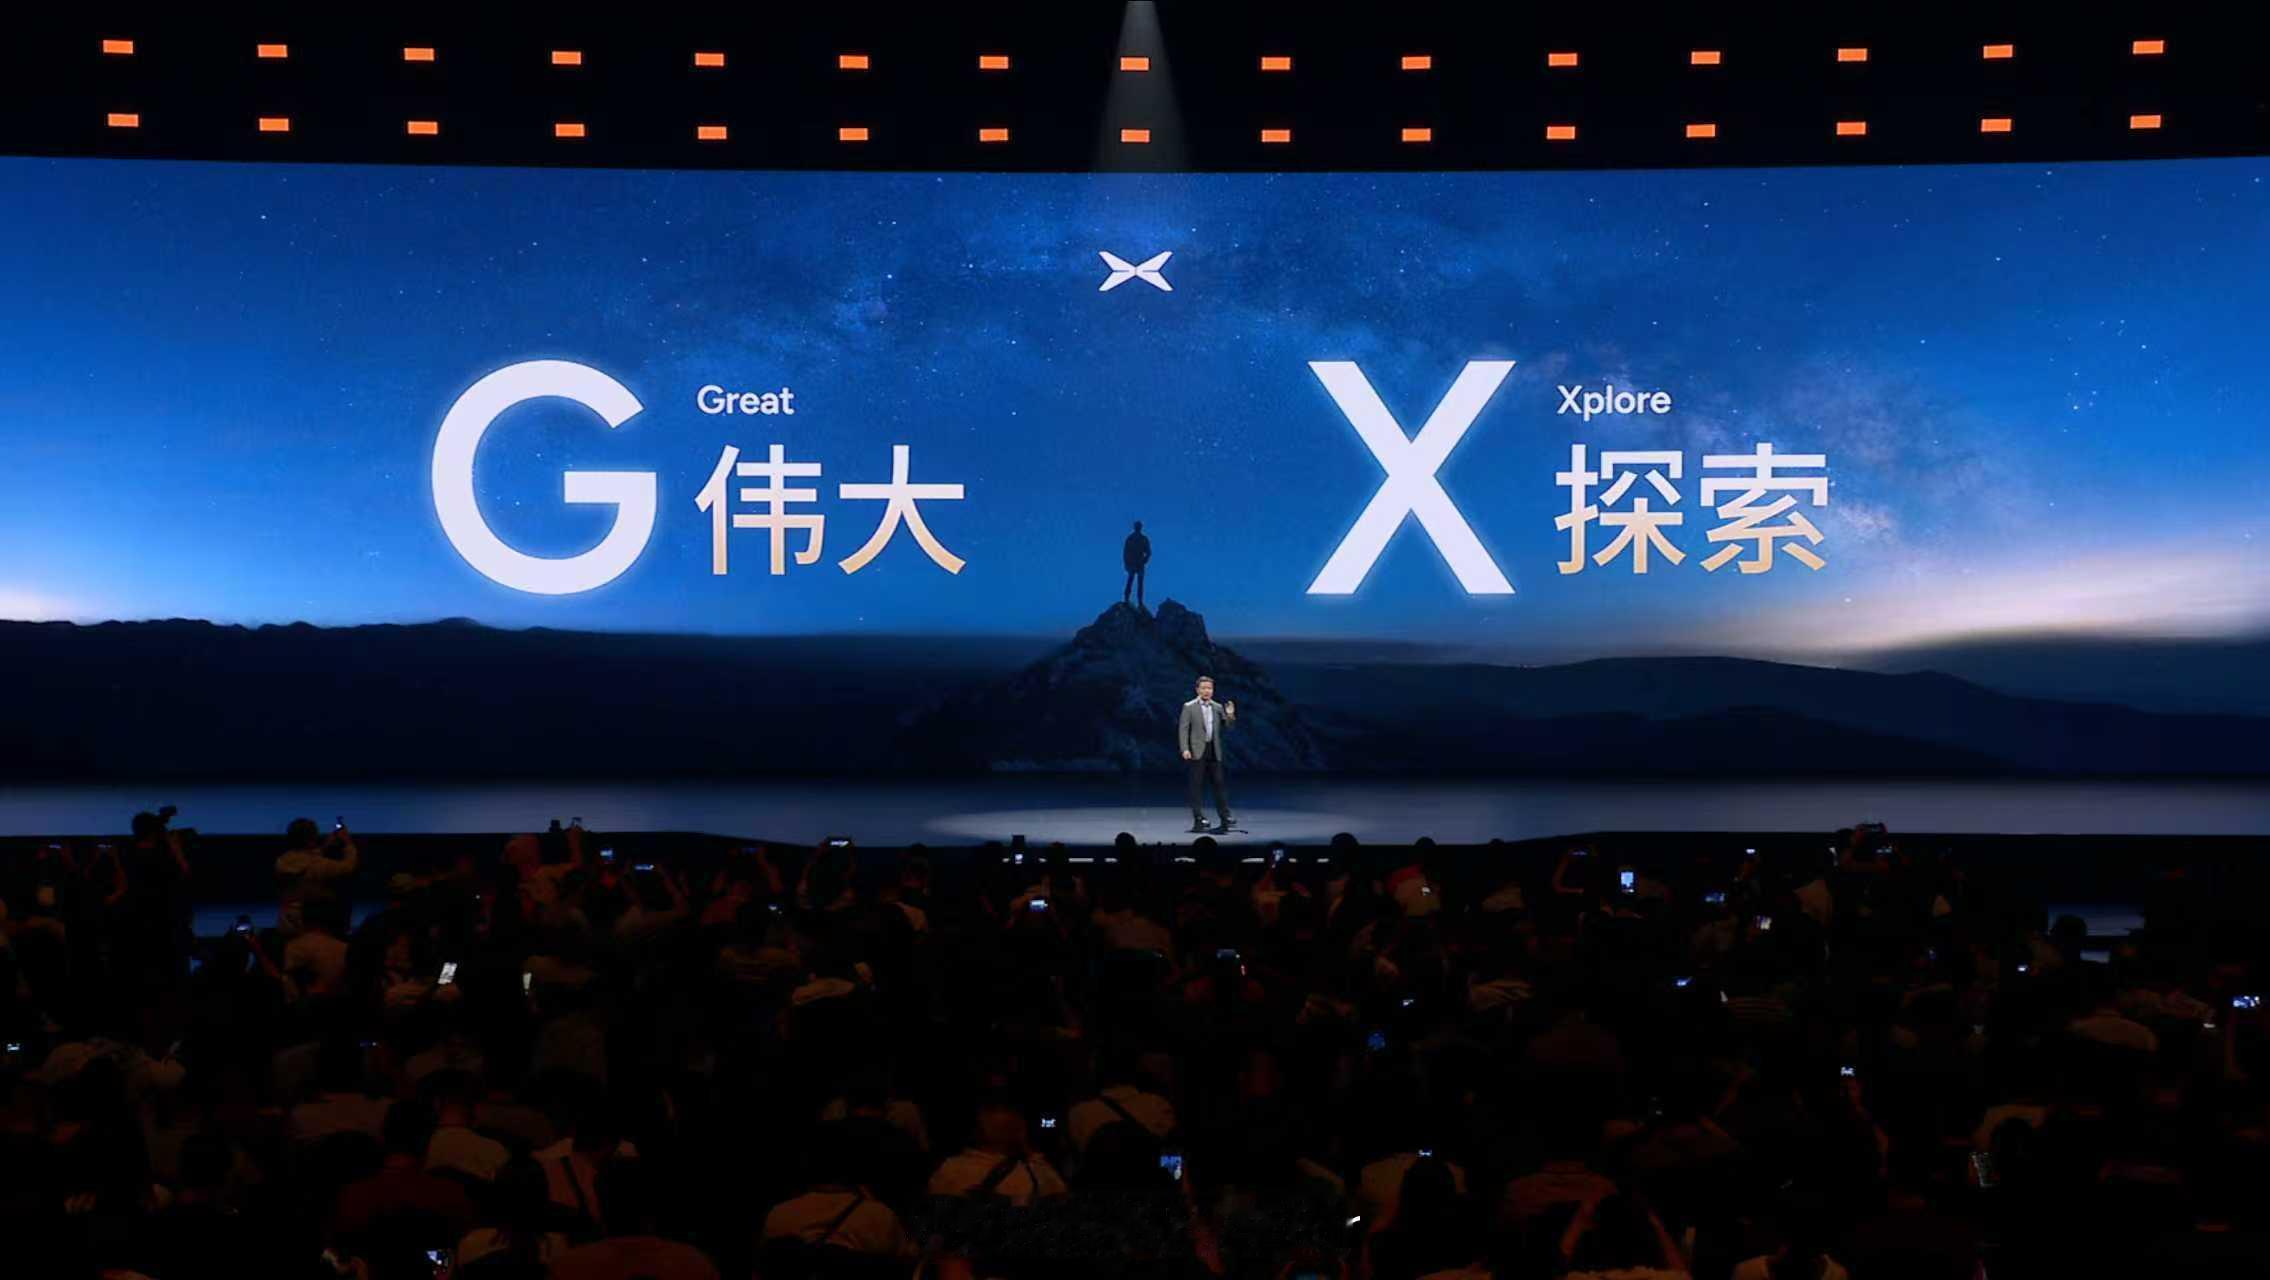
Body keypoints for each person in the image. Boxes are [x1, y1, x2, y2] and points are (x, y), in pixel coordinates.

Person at [1178, 675, 1236, 833]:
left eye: (1209, 688)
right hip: (1197, 750)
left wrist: (1230, 715)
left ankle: (1225, 816)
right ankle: (1199, 817)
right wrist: (1185, 748)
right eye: (1203, 688)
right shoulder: (1189, 707)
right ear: (1197, 689)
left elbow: (1228, 726)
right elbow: (1183, 729)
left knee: (1219, 784)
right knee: (1196, 785)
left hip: (1213, 750)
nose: (1207, 691)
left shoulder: (1217, 707)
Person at [1122, 519, 1151, 608]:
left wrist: (1144, 560)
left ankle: (1139, 601)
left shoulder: (1142, 539)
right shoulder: (1131, 538)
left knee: (1138, 583)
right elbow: (1125, 552)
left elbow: (1148, 552)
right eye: (1137, 526)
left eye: (1139, 526)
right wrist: (1127, 564)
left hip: (1139, 564)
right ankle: (1128, 599)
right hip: (1133, 564)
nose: (1138, 528)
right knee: (1132, 581)